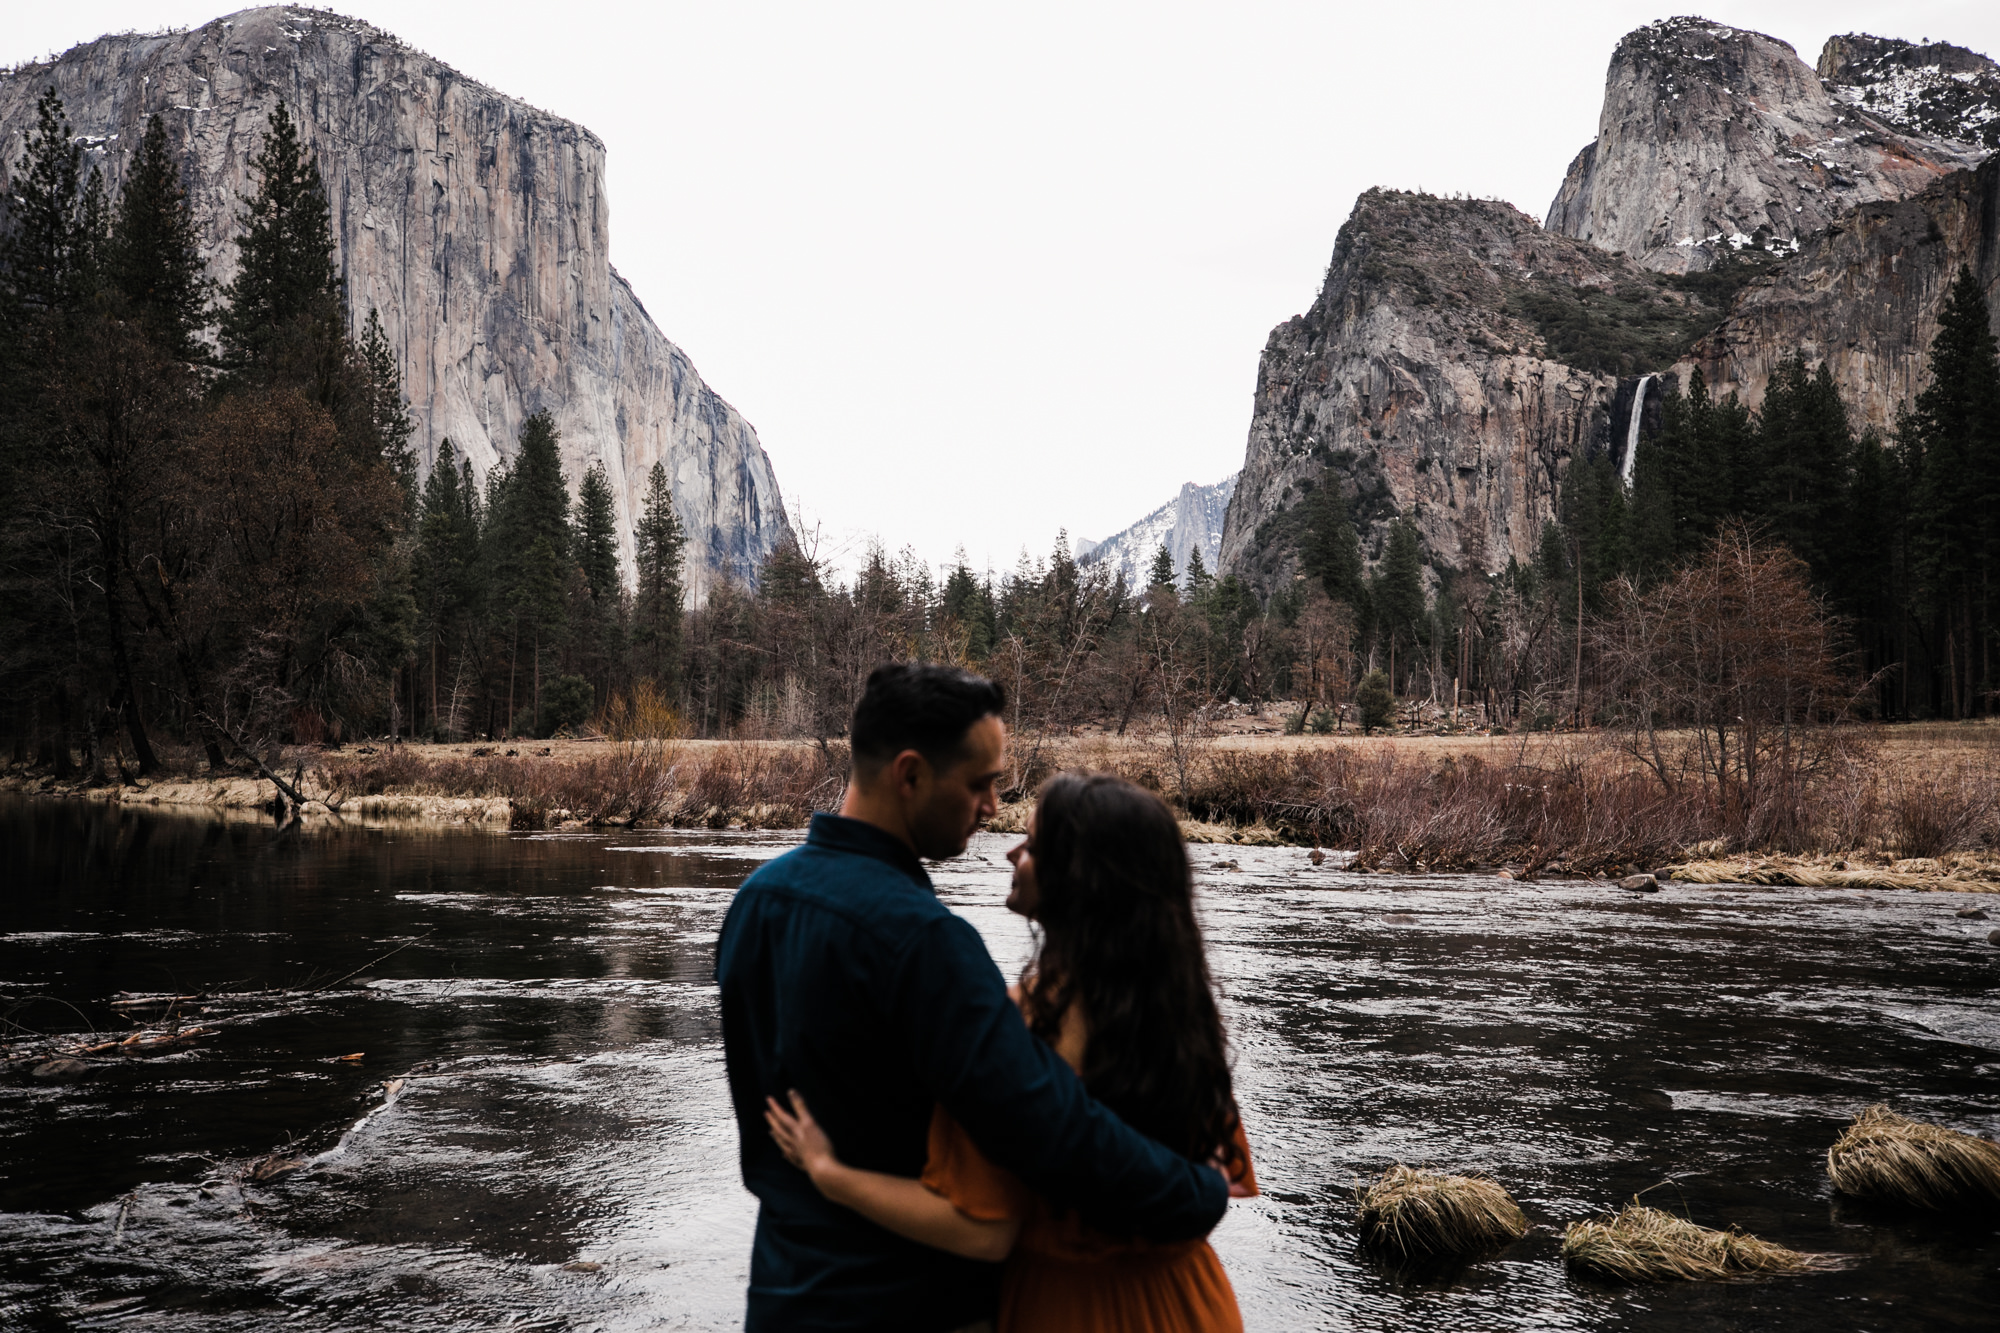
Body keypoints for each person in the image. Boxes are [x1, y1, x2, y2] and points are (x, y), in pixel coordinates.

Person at [716, 665, 1227, 1333]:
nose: (992, 807)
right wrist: (1197, 1192)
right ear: (910, 775)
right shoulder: (925, 941)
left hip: (782, 1296)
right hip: (908, 1306)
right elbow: (1052, 1124)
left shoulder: (755, 902)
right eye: (980, 783)